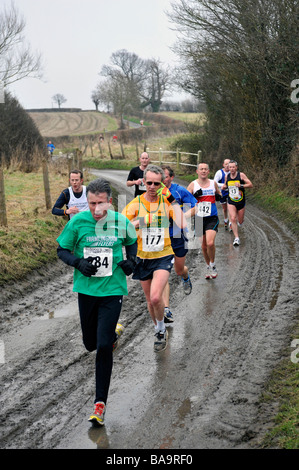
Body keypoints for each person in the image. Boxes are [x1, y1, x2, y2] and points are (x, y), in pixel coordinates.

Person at [56, 178, 137, 426]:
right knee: (90, 343)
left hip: (112, 290)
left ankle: (99, 404)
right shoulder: (78, 222)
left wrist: (131, 262)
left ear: (109, 202)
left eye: (100, 203)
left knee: (102, 347)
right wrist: (78, 262)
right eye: (91, 203)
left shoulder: (120, 222)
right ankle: (112, 335)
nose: (95, 209)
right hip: (87, 291)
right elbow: (62, 250)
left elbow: (132, 243)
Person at [122, 165, 186, 352]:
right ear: (143, 182)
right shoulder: (136, 203)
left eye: (156, 183)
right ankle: (159, 328)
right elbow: (123, 227)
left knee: (157, 297)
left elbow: (182, 223)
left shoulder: (167, 202)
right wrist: (142, 221)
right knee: (150, 301)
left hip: (163, 255)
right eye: (148, 182)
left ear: (162, 184)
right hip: (143, 257)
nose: (151, 186)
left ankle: (160, 330)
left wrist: (172, 200)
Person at [161, 165, 197, 323]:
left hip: (178, 235)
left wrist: (183, 216)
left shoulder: (179, 191)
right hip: (162, 237)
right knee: (163, 272)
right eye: (160, 176)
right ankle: (166, 309)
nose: (163, 179)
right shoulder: (154, 192)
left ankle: (185, 276)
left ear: (171, 177)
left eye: (165, 176)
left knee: (178, 269)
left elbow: (195, 207)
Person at [187, 163, 222, 279]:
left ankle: (212, 264)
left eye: (205, 169)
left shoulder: (213, 183)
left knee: (210, 243)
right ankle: (208, 266)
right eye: (201, 169)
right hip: (198, 218)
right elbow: (185, 199)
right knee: (203, 245)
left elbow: (219, 193)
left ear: (208, 171)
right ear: (197, 171)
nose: (203, 171)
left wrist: (219, 196)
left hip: (212, 217)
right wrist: (194, 196)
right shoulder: (193, 184)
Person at [222, 160, 253, 246]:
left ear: (236, 167)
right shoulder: (227, 176)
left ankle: (238, 223)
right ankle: (236, 238)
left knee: (240, 221)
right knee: (232, 217)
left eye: (233, 167)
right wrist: (224, 187)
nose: (231, 169)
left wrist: (241, 185)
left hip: (240, 201)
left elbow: (250, 184)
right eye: (230, 167)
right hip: (231, 200)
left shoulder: (241, 175)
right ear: (228, 168)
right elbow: (225, 185)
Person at [214, 158, 230, 229]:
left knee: (231, 208)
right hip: (222, 192)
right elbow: (214, 182)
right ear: (223, 165)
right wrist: (222, 185)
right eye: (226, 164)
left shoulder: (232, 172)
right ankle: (225, 220)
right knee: (225, 209)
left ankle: (231, 223)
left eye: (229, 164)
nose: (227, 166)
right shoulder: (219, 172)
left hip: (231, 193)